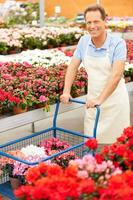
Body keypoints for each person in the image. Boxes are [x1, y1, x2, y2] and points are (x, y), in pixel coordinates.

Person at [60, 4, 130, 141]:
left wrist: (100, 99)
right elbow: (73, 66)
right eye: (89, 22)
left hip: (115, 102)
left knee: (117, 146)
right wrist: (66, 91)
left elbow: (116, 75)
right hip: (93, 101)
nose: (92, 26)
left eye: (96, 21)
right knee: (92, 142)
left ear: (105, 21)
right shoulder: (84, 41)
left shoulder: (117, 43)